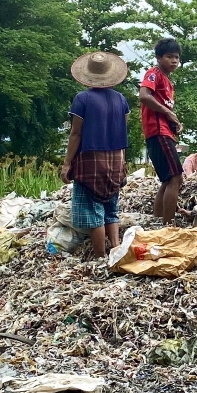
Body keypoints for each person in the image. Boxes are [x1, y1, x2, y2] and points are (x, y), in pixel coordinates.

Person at [60, 50, 132, 258]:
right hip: (116, 160)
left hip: (92, 161)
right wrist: (123, 163)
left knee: (93, 213)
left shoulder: (82, 99)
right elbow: (122, 130)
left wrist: (67, 164)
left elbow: (76, 133)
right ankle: (116, 249)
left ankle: (101, 257)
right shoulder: (121, 100)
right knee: (111, 207)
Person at [140, 38, 183, 223]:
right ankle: (168, 224)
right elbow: (144, 96)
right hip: (158, 132)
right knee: (176, 178)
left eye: (177, 58)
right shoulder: (154, 74)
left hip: (165, 132)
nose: (174, 61)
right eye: (169, 57)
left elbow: (162, 108)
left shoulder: (168, 82)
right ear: (159, 58)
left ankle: (158, 221)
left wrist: (174, 121)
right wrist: (168, 112)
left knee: (167, 180)